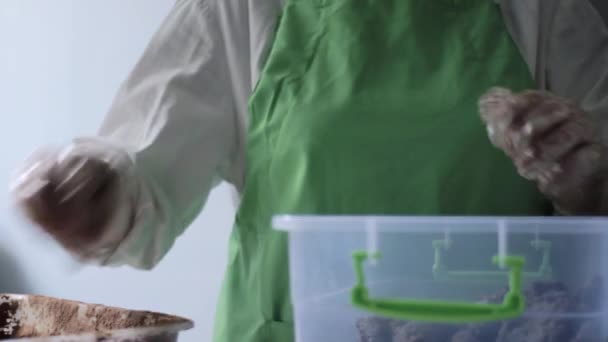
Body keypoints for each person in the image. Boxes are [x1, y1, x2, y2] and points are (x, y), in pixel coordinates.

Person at [9, 0, 608, 341]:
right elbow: (142, 180)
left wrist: (588, 182)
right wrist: (91, 194)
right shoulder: (239, 7)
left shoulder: (547, 10)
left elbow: (602, 183)